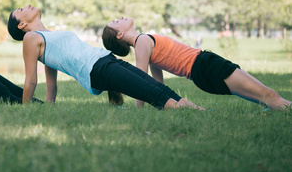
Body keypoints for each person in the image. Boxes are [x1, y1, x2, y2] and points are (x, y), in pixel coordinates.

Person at [7, 5, 204, 110]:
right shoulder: (31, 38)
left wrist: (49, 107)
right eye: (22, 10)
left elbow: (51, 84)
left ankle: (196, 110)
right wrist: (27, 110)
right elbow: (32, 79)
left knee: (156, 86)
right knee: (150, 92)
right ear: (21, 26)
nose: (29, 6)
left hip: (105, 60)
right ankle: (181, 110)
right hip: (97, 69)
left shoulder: (47, 36)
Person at [102, 16, 291, 110]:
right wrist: (140, 109)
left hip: (204, 69)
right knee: (269, 96)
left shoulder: (145, 42)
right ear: (119, 34)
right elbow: (141, 82)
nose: (121, 17)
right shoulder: (142, 42)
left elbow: (157, 86)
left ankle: (281, 108)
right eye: (116, 21)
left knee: (266, 99)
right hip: (205, 67)